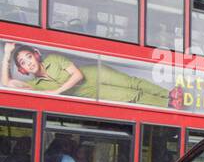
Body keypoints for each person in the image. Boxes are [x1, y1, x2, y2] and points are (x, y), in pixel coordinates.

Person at [3, 41, 174, 106]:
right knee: (131, 96)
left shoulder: (54, 58)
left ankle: (169, 94)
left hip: (96, 73)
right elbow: (7, 84)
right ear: (22, 70)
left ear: (36, 55)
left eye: (29, 57)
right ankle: (168, 104)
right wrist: (7, 55)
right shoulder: (34, 86)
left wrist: (56, 92)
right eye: (23, 63)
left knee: (131, 82)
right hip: (95, 93)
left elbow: (77, 75)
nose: (29, 63)